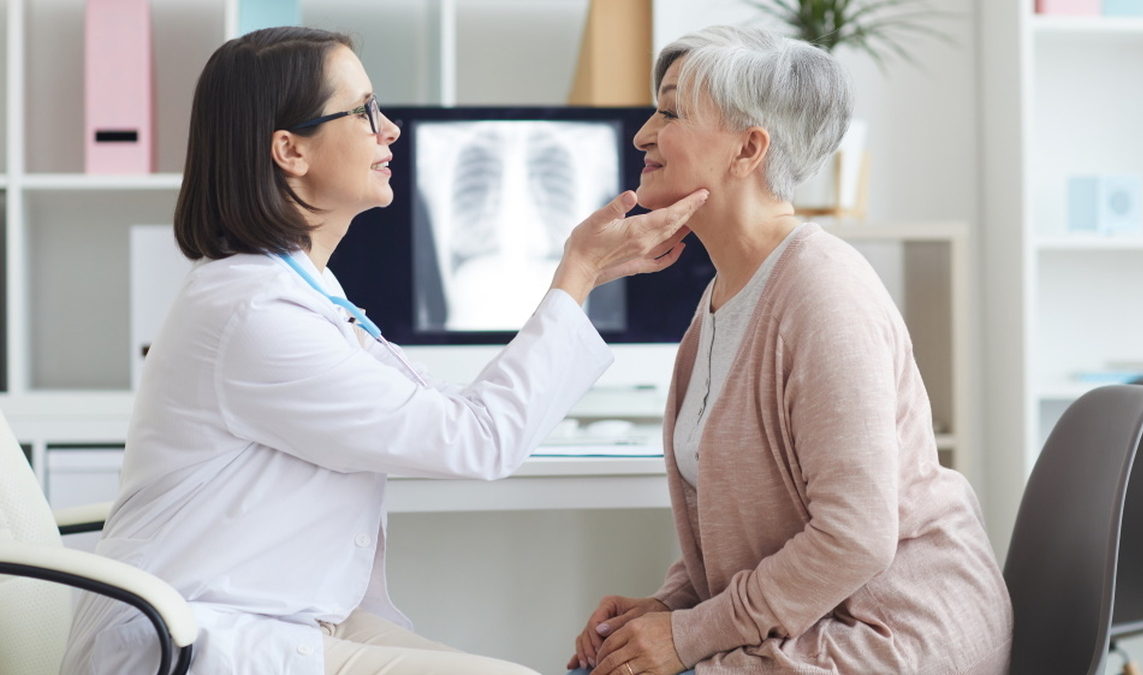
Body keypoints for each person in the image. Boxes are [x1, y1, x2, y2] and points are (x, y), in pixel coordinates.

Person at [60, 26, 706, 675]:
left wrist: (584, 279)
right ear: (289, 150)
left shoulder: (299, 286)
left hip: (277, 611)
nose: (390, 129)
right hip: (195, 635)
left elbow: (436, 408)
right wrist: (578, 272)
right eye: (364, 110)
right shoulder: (256, 313)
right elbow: (476, 439)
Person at [566, 25, 1012, 675]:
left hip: (892, 632)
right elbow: (746, 528)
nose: (642, 134)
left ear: (749, 148)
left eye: (670, 111)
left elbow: (854, 537)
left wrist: (688, 635)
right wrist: (666, 608)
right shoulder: (723, 299)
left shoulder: (824, 294)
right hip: (809, 620)